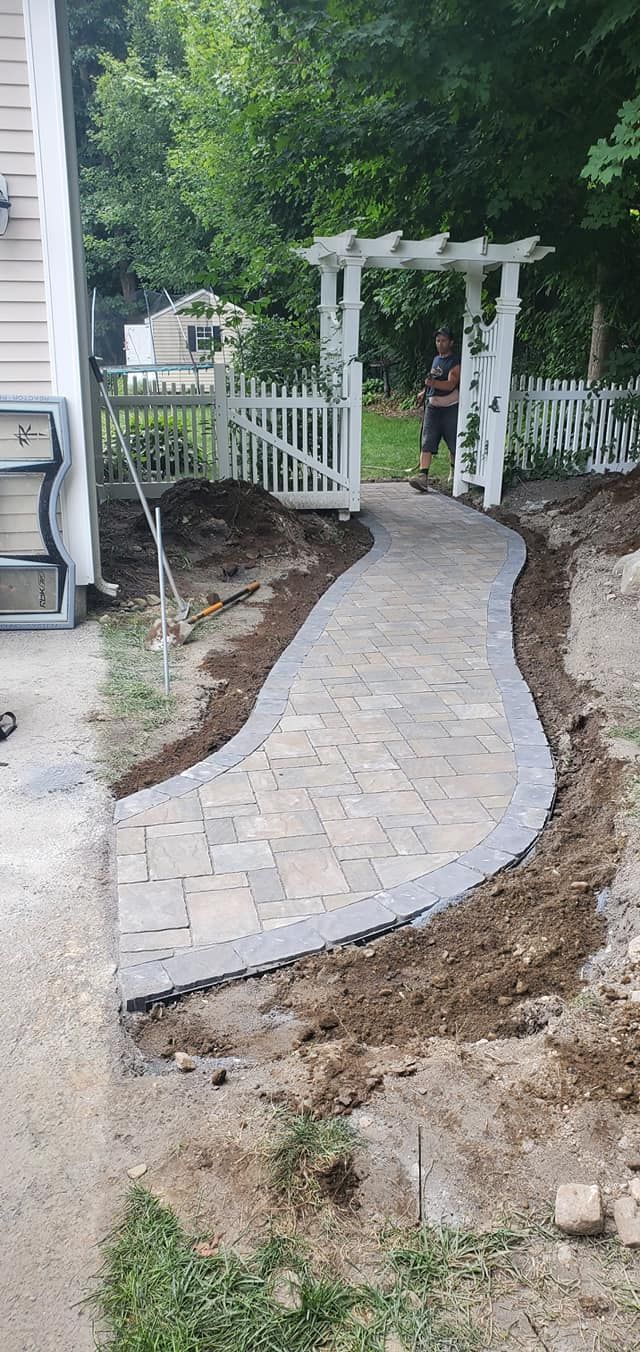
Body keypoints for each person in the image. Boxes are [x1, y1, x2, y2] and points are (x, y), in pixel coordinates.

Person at [409, 326, 460, 493]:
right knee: (427, 441)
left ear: (451, 342)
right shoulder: (436, 360)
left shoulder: (455, 362)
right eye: (438, 340)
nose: (440, 343)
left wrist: (433, 384)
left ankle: (454, 473)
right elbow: (434, 379)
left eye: (444, 340)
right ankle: (423, 477)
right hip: (433, 407)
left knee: (453, 442)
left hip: (450, 407)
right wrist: (424, 392)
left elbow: (451, 383)